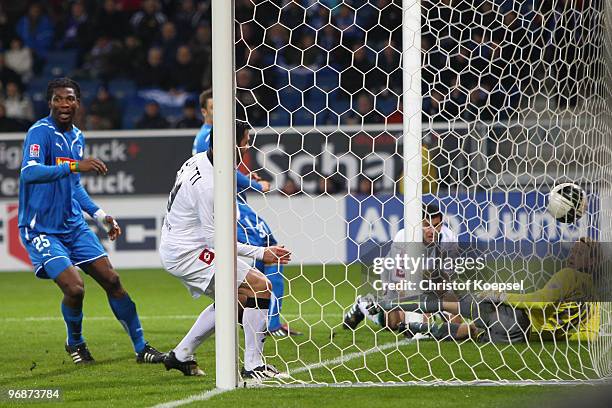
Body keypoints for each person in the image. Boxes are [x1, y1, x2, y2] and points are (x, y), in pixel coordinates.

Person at [18, 77, 165, 365]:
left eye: (70, 98)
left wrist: (100, 215)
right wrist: (74, 165)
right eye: (59, 99)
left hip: (73, 225)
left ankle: (142, 347)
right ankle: (75, 342)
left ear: (77, 103)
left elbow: (74, 186)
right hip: (42, 229)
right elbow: (29, 172)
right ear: (49, 102)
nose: (64, 104)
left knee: (112, 280)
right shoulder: (40, 133)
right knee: (74, 288)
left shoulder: (77, 137)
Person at [160, 122, 292, 378]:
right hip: (188, 252)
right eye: (245, 142)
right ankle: (253, 365)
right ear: (233, 145)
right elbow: (215, 240)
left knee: (237, 299)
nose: (247, 147)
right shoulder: (209, 186)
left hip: (180, 243)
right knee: (260, 286)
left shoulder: (200, 160)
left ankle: (180, 355)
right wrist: (260, 252)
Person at [192, 90, 300, 336]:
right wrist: (254, 185)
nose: (218, 111)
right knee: (270, 252)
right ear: (204, 111)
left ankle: (264, 318)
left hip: (235, 204)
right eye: (212, 107)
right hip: (233, 207)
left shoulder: (211, 135)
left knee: (262, 257)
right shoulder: (209, 136)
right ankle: (269, 322)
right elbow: (221, 172)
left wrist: (245, 179)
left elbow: (223, 171)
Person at [398, 238, 599, 343]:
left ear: (591, 260)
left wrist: (501, 295)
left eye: (580, 253)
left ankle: (404, 313)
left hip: (518, 321)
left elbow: (540, 300)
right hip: (526, 337)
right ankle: (419, 328)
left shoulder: (568, 275)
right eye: (572, 251)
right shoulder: (594, 289)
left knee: (467, 303)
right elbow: (589, 332)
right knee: (472, 331)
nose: (572, 255)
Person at [343, 203, 457, 331]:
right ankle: (365, 304)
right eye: (426, 225)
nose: (431, 230)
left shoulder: (449, 239)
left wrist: (438, 303)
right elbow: (401, 286)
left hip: (430, 279)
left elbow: (447, 278)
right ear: (418, 224)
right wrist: (420, 308)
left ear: (441, 225)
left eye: (436, 225)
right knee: (395, 323)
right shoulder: (404, 238)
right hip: (395, 276)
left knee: (455, 320)